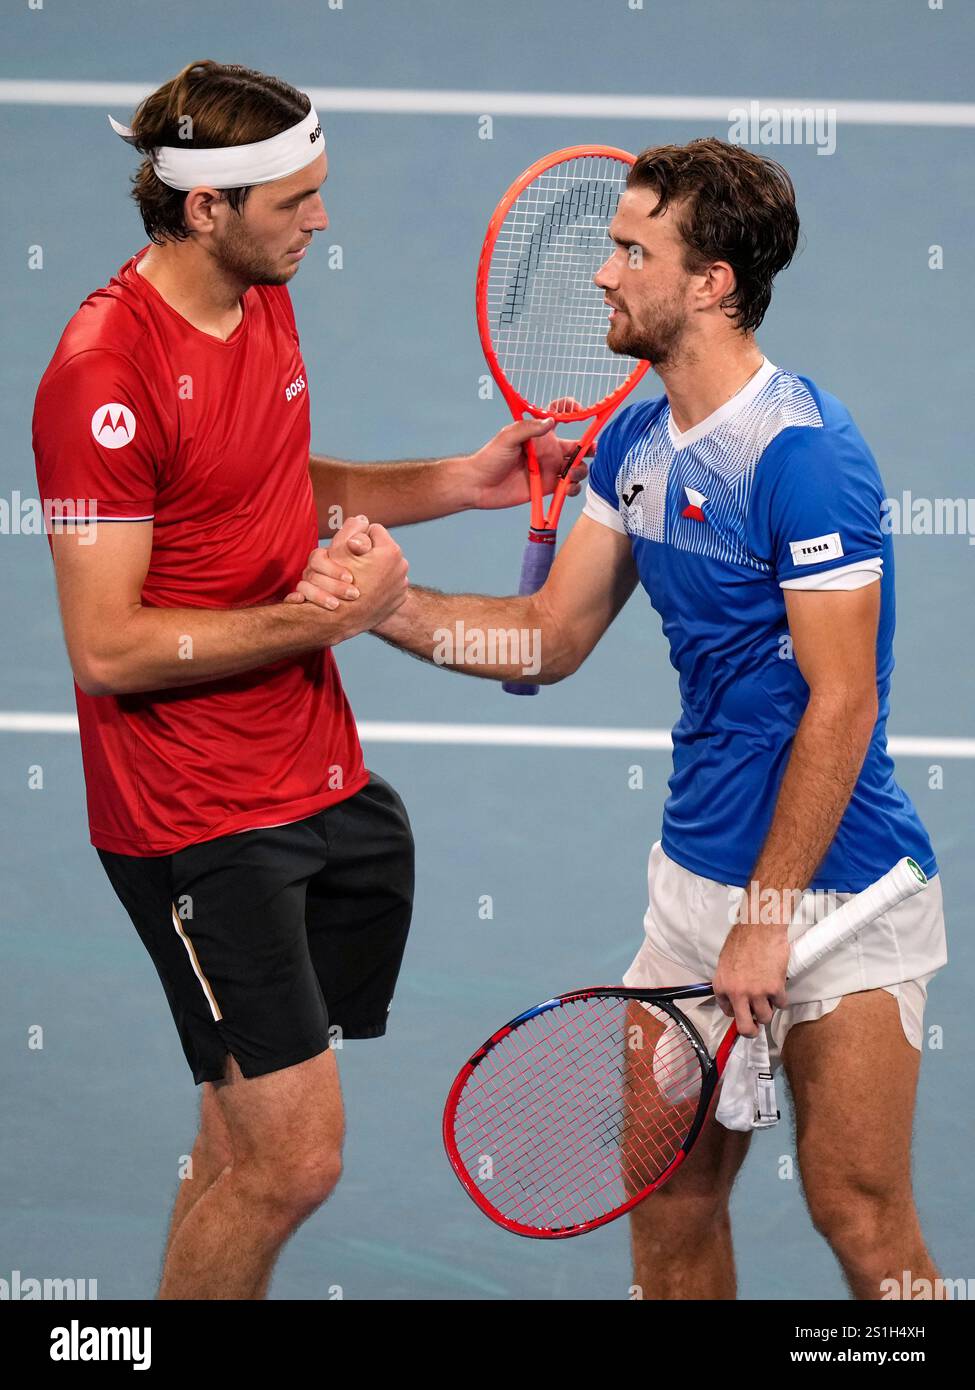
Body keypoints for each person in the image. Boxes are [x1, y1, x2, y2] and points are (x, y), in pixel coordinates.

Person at [293, 138, 948, 1300]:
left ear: (712, 284)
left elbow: (842, 700)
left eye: (633, 250)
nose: (603, 274)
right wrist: (387, 610)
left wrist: (770, 912)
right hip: (695, 894)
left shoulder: (806, 458)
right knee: (671, 1205)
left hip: (839, 896)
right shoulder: (634, 448)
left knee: (863, 1216)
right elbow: (547, 637)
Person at [31, 59, 585, 1300]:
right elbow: (107, 647)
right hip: (194, 821)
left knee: (236, 1135)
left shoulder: (260, 293)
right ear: (203, 208)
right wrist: (320, 621)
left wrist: (460, 482)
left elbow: (269, 486)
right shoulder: (101, 379)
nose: (321, 220)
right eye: (296, 200)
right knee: (295, 1163)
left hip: (310, 775)